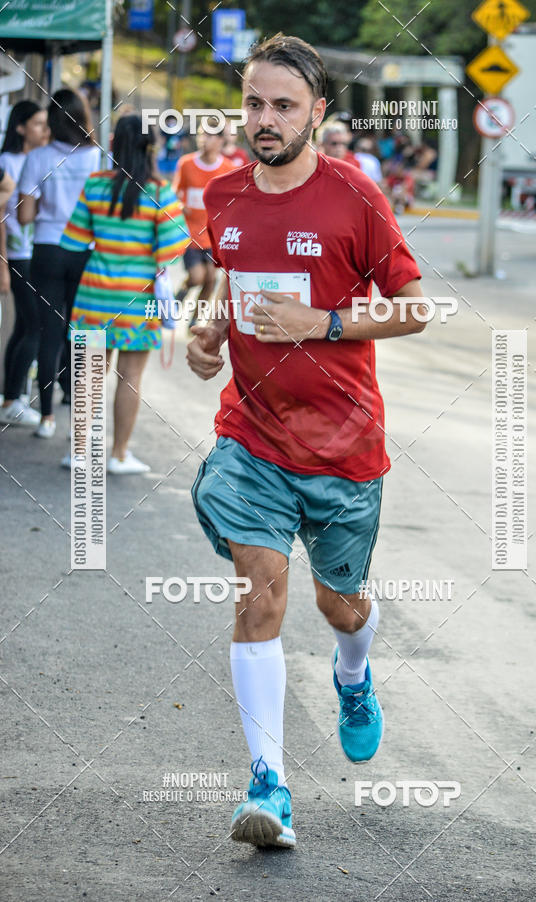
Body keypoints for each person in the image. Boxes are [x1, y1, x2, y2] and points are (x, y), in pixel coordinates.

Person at [187, 34, 427, 849]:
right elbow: (233, 276)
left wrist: (322, 322)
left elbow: (416, 306)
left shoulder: (355, 197)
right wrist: (211, 332)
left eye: (283, 105)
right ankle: (269, 785)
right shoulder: (223, 198)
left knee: (339, 605)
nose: (264, 118)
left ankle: (353, 675)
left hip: (344, 447)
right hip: (251, 436)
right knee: (261, 596)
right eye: (254, 102)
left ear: (317, 113)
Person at [61, 114, 189, 473]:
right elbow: (175, 250)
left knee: (89, 376)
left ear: (115, 145)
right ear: (151, 147)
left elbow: (74, 239)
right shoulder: (160, 192)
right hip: (139, 300)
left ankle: (78, 452)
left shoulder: (95, 185)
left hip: (94, 298)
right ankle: (118, 454)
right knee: (130, 378)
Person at [18, 88, 100, 438]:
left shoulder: (38, 157)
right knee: (83, 333)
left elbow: (24, 216)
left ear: (52, 119)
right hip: (86, 250)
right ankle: (81, 420)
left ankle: (47, 418)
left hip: (48, 249)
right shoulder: (97, 157)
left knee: (49, 332)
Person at [0, 100, 48, 427]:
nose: (44, 131)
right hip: (18, 254)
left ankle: (10, 397)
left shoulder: (31, 159)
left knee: (24, 326)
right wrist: (3, 262)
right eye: (37, 124)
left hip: (29, 252)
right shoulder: (9, 162)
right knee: (35, 325)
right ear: (20, 128)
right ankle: (13, 400)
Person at [172, 128, 234, 325]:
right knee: (197, 277)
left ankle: (195, 319)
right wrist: (181, 206)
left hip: (213, 235)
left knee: (211, 279)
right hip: (190, 232)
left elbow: (231, 200)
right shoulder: (187, 163)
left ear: (220, 141)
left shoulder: (228, 168)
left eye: (209, 136)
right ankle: (182, 291)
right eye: (201, 135)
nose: (204, 140)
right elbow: (175, 193)